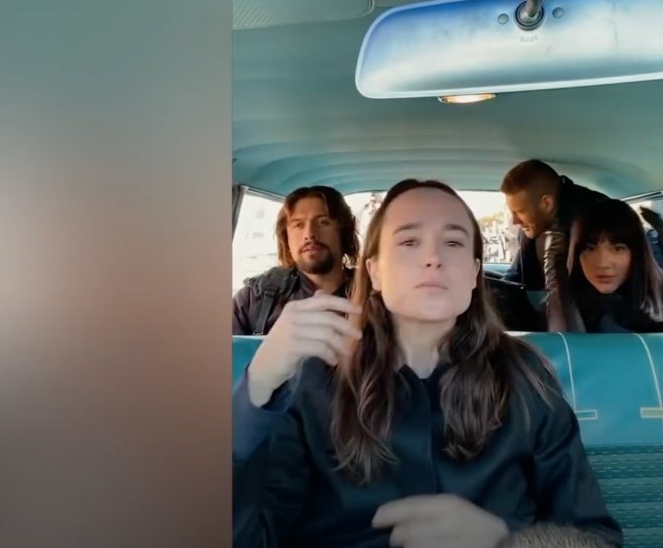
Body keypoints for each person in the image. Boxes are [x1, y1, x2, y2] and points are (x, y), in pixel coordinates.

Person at [232, 179, 622, 548]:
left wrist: (506, 541)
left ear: (474, 273)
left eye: (452, 242)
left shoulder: (526, 377)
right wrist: (258, 385)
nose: (433, 258)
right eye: (409, 242)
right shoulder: (312, 379)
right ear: (374, 271)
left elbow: (595, 536)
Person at [232, 185, 359, 335]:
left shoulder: (374, 294)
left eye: (323, 222)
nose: (309, 234)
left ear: (343, 231)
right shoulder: (255, 297)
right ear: (286, 237)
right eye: (298, 225)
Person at [499, 159, 609, 291]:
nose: (514, 221)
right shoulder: (535, 225)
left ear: (547, 203)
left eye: (520, 212)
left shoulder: (599, 217)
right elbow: (517, 274)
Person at [567, 199, 663, 333]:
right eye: (590, 249)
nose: (603, 264)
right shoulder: (560, 311)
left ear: (636, 254)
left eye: (618, 249)